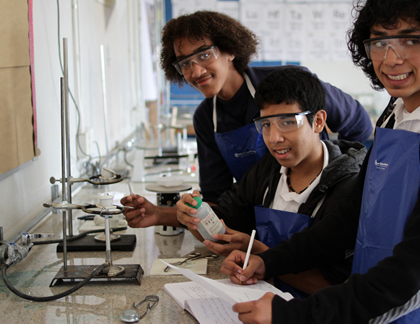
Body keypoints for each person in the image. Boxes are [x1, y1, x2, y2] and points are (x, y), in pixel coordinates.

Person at [221, 0, 420, 323]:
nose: (391, 58)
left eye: (411, 40)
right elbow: (351, 217)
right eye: (379, 42)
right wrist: (271, 262)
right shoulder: (396, 113)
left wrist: (292, 314)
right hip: (379, 301)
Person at [122, 68, 367, 296]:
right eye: (266, 125)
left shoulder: (349, 187)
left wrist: (259, 254)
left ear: (318, 121)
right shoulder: (269, 171)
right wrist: (191, 214)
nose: (274, 138)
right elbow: (226, 223)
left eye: (288, 122)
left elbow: (338, 289)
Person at [160, 10, 373, 205]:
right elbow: (218, 194)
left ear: (230, 50)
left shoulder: (290, 82)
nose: (195, 72)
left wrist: (341, 179)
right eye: (185, 63)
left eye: (204, 55)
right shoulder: (206, 117)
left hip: (320, 209)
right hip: (260, 224)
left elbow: (359, 125)